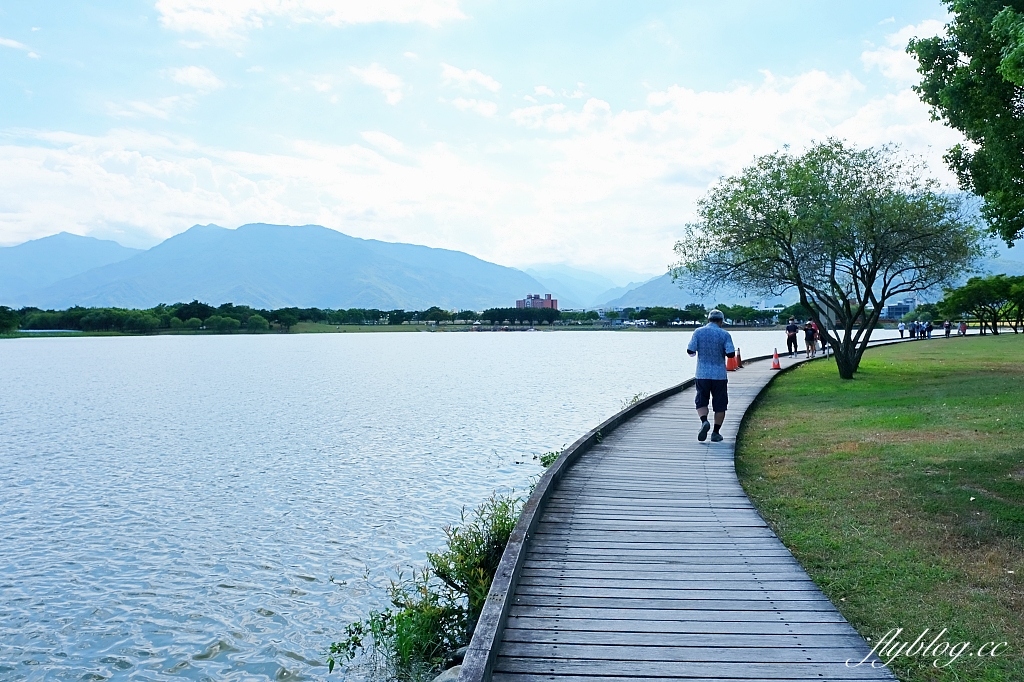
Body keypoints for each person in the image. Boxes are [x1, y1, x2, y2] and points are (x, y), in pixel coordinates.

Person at [687, 309, 736, 443]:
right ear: (721, 321)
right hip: (719, 375)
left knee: (701, 400)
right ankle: (715, 432)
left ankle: (704, 421)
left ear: (708, 320)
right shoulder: (724, 334)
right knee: (720, 403)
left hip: (702, 373)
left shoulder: (698, 332)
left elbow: (690, 351)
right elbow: (731, 354)